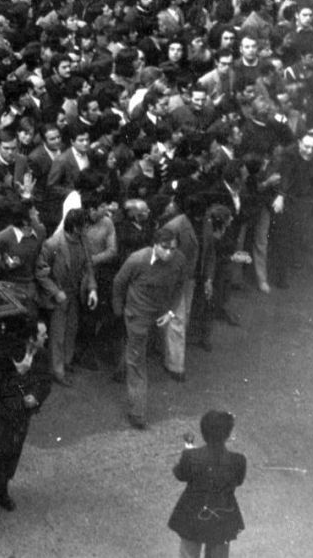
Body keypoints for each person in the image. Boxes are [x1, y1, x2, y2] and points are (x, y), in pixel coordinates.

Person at [113, 227, 194, 429]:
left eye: (173, 249)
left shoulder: (179, 261)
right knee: (138, 361)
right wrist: (118, 311)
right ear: (154, 245)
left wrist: (170, 312)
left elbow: (180, 286)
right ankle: (137, 413)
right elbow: (119, 283)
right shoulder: (137, 260)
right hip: (137, 314)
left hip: (160, 312)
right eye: (164, 248)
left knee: (134, 351)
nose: (168, 253)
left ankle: (119, 369)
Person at [169, 409, 245, 558]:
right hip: (222, 514)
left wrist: (189, 452)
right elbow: (239, 481)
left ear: (203, 433)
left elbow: (180, 474)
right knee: (219, 554)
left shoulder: (191, 456)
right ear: (227, 434)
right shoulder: (238, 460)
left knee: (188, 553)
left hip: (192, 513)